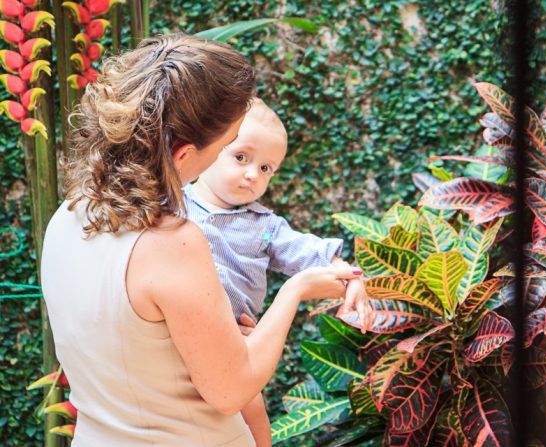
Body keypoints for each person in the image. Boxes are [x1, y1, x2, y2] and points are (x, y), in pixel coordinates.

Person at [40, 33, 363, 446]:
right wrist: (295, 291)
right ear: (183, 155)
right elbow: (230, 390)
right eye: (228, 146)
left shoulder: (70, 213)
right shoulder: (173, 242)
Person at [185, 98, 373, 446]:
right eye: (241, 157)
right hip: (177, 333)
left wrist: (348, 276)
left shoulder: (265, 227)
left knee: (252, 410)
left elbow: (306, 252)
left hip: (232, 343)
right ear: (210, 148)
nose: (253, 174)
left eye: (267, 168)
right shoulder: (171, 204)